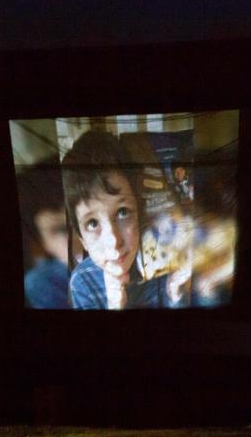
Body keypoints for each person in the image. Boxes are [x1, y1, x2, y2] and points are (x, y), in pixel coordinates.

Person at [61, 130, 176, 309]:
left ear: (140, 213)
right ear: (82, 239)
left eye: (123, 212)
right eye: (92, 223)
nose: (113, 241)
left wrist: (179, 294)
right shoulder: (82, 282)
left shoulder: (165, 260)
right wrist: (115, 305)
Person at [19, 161, 72, 309]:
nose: (82, 239)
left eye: (91, 222)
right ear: (42, 244)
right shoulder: (45, 282)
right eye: (63, 230)